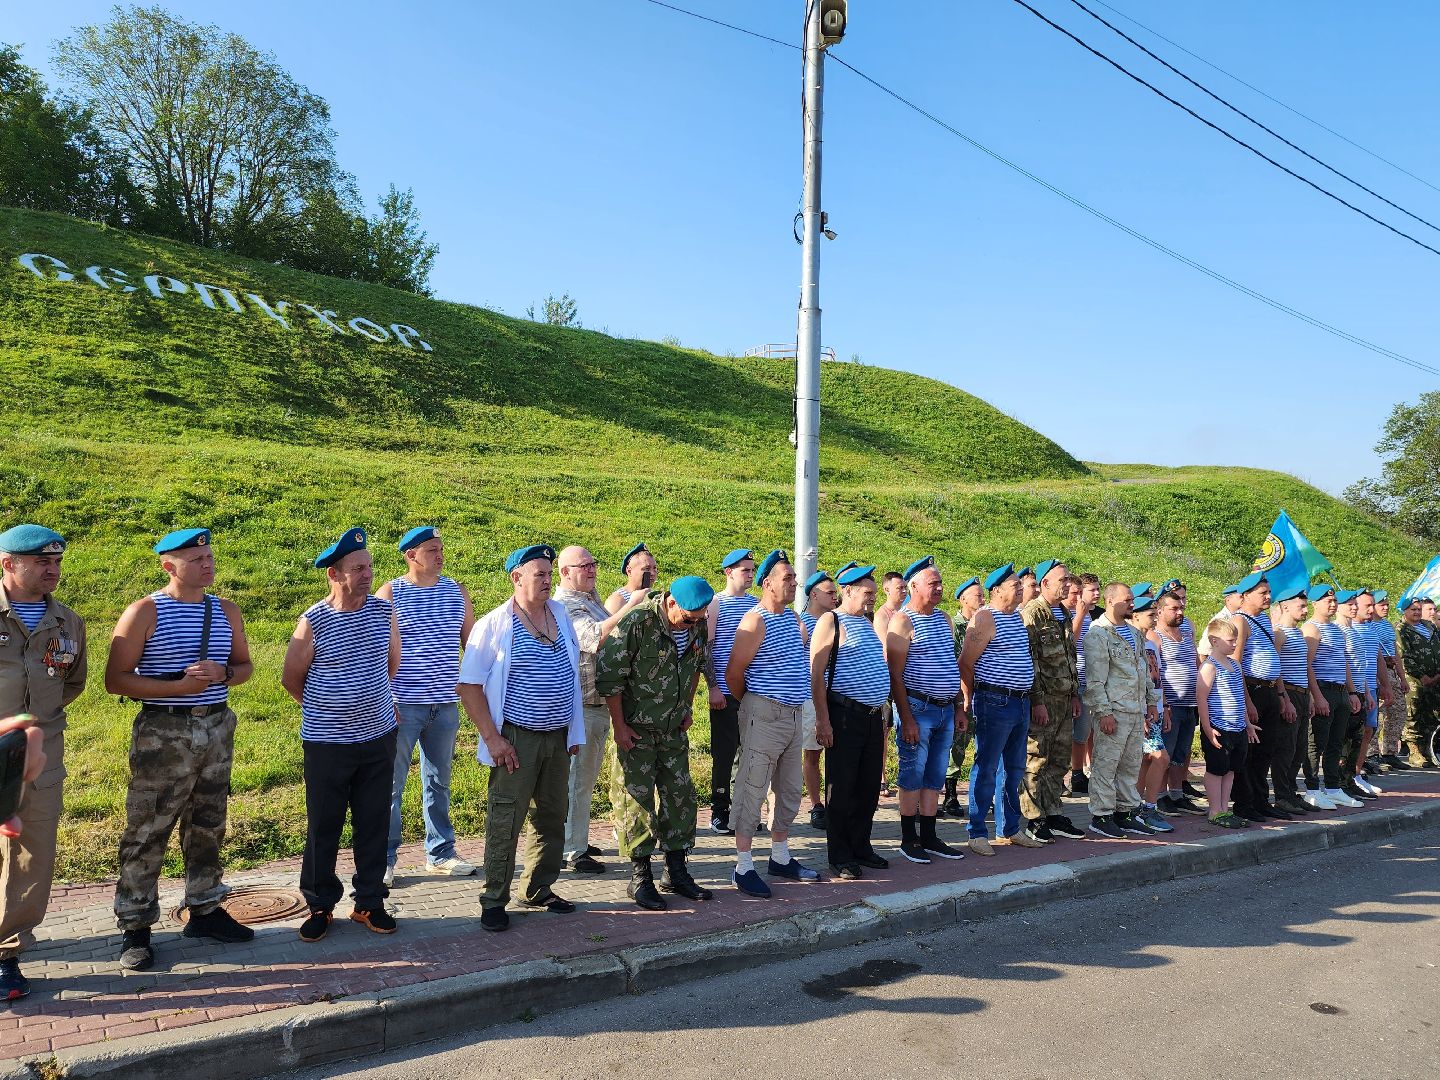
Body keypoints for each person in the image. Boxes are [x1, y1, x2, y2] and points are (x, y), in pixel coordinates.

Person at [105, 528, 255, 971]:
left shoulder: (225, 609)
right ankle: (135, 925)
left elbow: (245, 668)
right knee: (149, 826)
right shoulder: (144, 612)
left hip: (216, 724)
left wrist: (223, 672)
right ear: (169, 566)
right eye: (196, 559)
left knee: (208, 822)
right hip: (163, 729)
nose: (208, 564)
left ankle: (205, 908)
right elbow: (116, 680)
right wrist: (180, 686)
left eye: (209, 557)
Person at [281, 527, 401, 942]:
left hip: (378, 737)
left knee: (373, 823)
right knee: (324, 826)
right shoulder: (314, 620)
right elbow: (291, 678)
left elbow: (391, 664)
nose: (367, 574)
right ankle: (319, 905)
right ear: (334, 574)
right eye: (357, 568)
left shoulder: (383, 612)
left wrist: (367, 704)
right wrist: (330, 710)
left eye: (369, 567)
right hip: (327, 743)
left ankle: (369, 902)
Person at [458, 544, 585, 932]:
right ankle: (494, 898)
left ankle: (537, 888)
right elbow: (469, 686)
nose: (548, 581)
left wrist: (574, 729)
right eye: (540, 574)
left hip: (558, 736)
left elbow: (572, 674)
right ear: (516, 578)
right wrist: (494, 740)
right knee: (506, 818)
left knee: (552, 816)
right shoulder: (495, 624)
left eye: (550, 574)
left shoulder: (559, 614)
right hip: (517, 738)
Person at [0, 524, 86, 1001]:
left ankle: (6, 953)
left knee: (30, 856)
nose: (53, 570)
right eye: (42, 563)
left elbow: (72, 682)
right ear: (8, 564)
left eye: (57, 562)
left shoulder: (68, 622)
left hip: (40, 756)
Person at [596, 576, 714, 909]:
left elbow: (695, 666)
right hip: (636, 730)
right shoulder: (638, 622)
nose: (694, 623)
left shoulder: (698, 622)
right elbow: (610, 678)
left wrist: (688, 707)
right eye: (689, 618)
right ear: (671, 602)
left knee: (681, 796)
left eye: (700, 618)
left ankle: (676, 872)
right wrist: (619, 727)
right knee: (636, 800)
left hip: (672, 729)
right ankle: (640, 878)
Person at [377, 526, 476, 886]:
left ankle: (441, 853)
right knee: (391, 785)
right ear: (411, 556)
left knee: (439, 782)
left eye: (441, 548)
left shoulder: (456, 590)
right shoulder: (391, 592)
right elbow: (377, 651)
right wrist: (386, 699)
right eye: (432, 550)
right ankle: (384, 859)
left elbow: (473, 646)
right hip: (402, 705)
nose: (440, 555)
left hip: (445, 705)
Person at [725, 549, 822, 896]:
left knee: (790, 789)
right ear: (767, 583)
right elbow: (734, 673)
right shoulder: (755, 621)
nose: (794, 583)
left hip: (793, 714)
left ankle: (780, 856)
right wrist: (755, 704)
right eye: (788, 578)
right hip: (763, 713)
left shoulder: (793, 619)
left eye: (794, 579)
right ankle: (743, 866)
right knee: (752, 789)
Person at [554, 545, 646, 875]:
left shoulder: (589, 597)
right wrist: (630, 606)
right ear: (565, 572)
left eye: (593, 564)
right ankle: (572, 850)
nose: (592, 569)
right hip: (580, 706)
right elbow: (594, 637)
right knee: (578, 780)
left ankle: (574, 837)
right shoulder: (565, 604)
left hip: (596, 703)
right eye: (584, 566)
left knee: (585, 778)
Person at [810, 564, 891, 879]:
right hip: (843, 716)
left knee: (868, 787)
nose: (872, 598)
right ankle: (840, 855)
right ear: (847, 591)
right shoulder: (831, 621)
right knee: (841, 789)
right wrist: (823, 720)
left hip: (871, 718)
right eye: (868, 593)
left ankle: (861, 846)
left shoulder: (867, 621)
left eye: (873, 592)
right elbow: (816, 676)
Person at [885, 556, 968, 863]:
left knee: (935, 774)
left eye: (940, 583)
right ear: (914, 586)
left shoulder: (943, 618)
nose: (939, 588)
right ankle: (909, 838)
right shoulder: (903, 621)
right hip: (918, 708)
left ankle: (930, 836)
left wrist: (959, 706)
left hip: (946, 709)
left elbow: (951, 665)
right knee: (912, 773)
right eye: (933, 583)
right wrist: (906, 717)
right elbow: (895, 675)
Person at [958, 564, 1039, 855]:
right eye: (1014, 585)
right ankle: (977, 832)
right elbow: (966, 662)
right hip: (994, 701)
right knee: (987, 767)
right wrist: (968, 697)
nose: (1021, 589)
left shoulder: (1016, 617)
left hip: (1020, 701)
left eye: (1020, 585)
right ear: (997, 591)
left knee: (1014, 768)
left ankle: (1009, 828)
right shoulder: (985, 618)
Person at [1081, 583, 1161, 838]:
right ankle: (1102, 816)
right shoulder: (1099, 633)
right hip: (1114, 711)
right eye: (1127, 600)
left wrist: (1151, 701)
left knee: (1130, 765)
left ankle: (1125, 812)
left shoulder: (1133, 632)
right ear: (1111, 600)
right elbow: (1094, 680)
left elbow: (1143, 671)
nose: (1132, 604)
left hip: (1135, 710)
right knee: (1106, 765)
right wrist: (1103, 713)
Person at [1018, 559, 1082, 843]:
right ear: (1044, 583)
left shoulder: (1063, 612)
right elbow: (1030, 661)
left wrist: (1075, 694)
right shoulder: (1033, 613)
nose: (1067, 584)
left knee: (1059, 758)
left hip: (1064, 697)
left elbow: (1070, 657)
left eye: (1068, 579)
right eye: (1062, 580)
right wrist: (1036, 701)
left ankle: (1054, 811)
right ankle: (1034, 818)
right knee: (1036, 758)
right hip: (1044, 700)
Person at [1231, 572, 1297, 822]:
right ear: (1245, 595)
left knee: (1266, 750)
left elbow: (1273, 661)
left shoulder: (1264, 620)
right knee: (1249, 752)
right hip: (1253, 690)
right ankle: (1244, 803)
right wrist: (1246, 701)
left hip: (1270, 690)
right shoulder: (1240, 621)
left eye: (1269, 593)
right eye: (1263, 593)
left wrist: (1282, 695)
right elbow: (1236, 663)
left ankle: (1261, 800)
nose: (1268, 597)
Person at [704, 548, 757, 834]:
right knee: (724, 755)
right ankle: (719, 810)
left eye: (752, 570)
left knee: (749, 754)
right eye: (745, 570)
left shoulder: (756, 604)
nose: (751, 575)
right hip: (725, 692)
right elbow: (707, 649)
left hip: (752, 693)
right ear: (729, 572)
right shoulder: (716, 603)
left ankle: (743, 809)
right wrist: (713, 687)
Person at [1302, 586, 1364, 808]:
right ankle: (1311, 788)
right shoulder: (1311, 628)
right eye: (1326, 601)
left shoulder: (1337, 630)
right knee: (1315, 743)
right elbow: (1306, 664)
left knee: (1335, 743)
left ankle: (1333, 787)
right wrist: (1316, 696)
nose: (1332, 604)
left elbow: (1344, 662)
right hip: (1323, 689)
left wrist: (1352, 692)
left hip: (1339, 692)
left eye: (1334, 600)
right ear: (1314, 603)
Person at [1196, 619, 1254, 829]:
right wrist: (1207, 728)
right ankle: (1214, 811)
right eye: (1230, 640)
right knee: (1216, 768)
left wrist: (1247, 722)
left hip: (1237, 726)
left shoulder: (1235, 665)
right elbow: (1201, 698)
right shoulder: (1209, 667)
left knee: (1231, 769)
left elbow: (1239, 697)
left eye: (1235, 640)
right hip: (1219, 727)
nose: (1234, 644)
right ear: (1214, 641)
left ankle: (1224, 808)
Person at [1150, 588, 1203, 815]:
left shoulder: (1186, 634)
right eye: (1174, 608)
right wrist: (1165, 706)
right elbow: (1156, 673)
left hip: (1190, 702)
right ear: (1160, 611)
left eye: (1182, 607)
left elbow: (1195, 663)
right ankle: (1160, 797)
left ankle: (1177, 793)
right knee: (1166, 752)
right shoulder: (1155, 636)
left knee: (1181, 752)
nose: (1180, 611)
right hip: (1170, 703)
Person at [1269, 583, 1315, 816]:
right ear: (1285, 607)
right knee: (1285, 747)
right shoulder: (1278, 633)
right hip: (1288, 691)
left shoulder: (1297, 632)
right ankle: (1281, 795)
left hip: (1302, 693)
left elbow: (1305, 666)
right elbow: (1275, 667)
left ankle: (1290, 791)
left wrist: (1312, 697)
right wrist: (1283, 698)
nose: (1305, 610)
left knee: (1299, 747)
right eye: (1301, 606)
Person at [1131, 595, 1175, 833]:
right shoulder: (1131, 642)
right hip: (1140, 712)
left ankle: (1138, 807)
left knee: (1147, 760)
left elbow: (1158, 678)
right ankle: (1148, 807)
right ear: (1135, 615)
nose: (1156, 617)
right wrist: (1141, 713)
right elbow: (1134, 682)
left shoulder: (1151, 643)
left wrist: (1164, 706)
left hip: (1155, 710)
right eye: (1151, 614)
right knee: (1161, 758)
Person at [941, 576, 982, 817]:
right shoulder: (955, 625)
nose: (982, 598)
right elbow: (954, 663)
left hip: (983, 694)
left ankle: (979, 795)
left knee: (982, 746)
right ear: (963, 598)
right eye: (976, 595)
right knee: (957, 745)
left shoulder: (983, 624)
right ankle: (950, 794)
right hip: (961, 693)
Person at [799, 570, 838, 830]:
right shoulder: (800, 623)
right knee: (813, 753)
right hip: (811, 697)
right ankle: (816, 805)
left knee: (838, 753)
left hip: (838, 695)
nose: (835, 597)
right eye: (830, 593)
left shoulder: (837, 621)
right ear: (814, 594)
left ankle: (837, 802)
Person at [1342, 589, 1386, 798]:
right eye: (1366, 605)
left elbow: (1378, 658)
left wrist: (1384, 685)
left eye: (1371, 605)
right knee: (1349, 737)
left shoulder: (1371, 628)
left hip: (1368, 687)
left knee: (1368, 731)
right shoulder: (1346, 629)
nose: (1371, 609)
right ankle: (1346, 777)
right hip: (1353, 689)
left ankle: (1356, 773)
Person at [1399, 594, 1440, 767]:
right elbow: (1404, 656)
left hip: (1435, 677)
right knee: (1413, 712)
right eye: (1412, 609)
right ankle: (1414, 751)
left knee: (1431, 713)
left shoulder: (1430, 627)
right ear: (1405, 611)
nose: (1416, 612)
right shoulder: (1401, 629)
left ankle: (1428, 750)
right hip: (1414, 678)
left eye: (1418, 609)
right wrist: (1422, 676)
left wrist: (1437, 675)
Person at [1069, 573, 1101, 793]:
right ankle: (1068, 774)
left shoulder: (1089, 615)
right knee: (1068, 733)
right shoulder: (1071, 613)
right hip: (1070, 681)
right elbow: (1069, 640)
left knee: (1083, 732)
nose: (1079, 598)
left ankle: (1078, 774)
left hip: (1086, 680)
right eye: (1076, 593)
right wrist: (1079, 615)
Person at [1371, 591, 1410, 771]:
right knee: (1377, 714)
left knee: (1398, 712)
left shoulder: (1387, 626)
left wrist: (1402, 678)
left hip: (1391, 672)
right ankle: (1372, 753)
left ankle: (1390, 752)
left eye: (1387, 604)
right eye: (1382, 605)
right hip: (1377, 672)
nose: (1386, 608)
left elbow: (1395, 653)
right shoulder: (1368, 625)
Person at [605, 542, 657, 614]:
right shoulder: (617, 601)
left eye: (654, 568)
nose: (653, 573)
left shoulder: (655, 597)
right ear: (629, 571)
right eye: (647, 569)